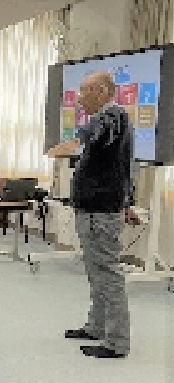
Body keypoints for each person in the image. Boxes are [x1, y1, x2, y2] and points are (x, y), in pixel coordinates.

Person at [47, 69, 136, 359]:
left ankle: (117, 342)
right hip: (93, 208)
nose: (79, 98)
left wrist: (72, 143)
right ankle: (97, 326)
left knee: (107, 272)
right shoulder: (110, 121)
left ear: (101, 91)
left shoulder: (113, 116)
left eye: (84, 91)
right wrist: (128, 201)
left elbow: (94, 130)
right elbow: (125, 167)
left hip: (101, 211)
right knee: (95, 271)